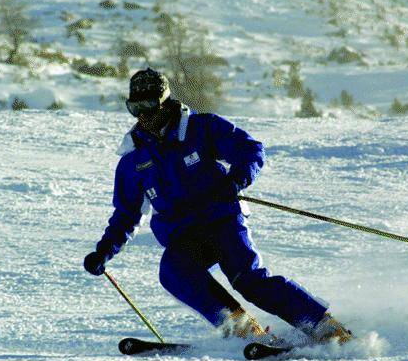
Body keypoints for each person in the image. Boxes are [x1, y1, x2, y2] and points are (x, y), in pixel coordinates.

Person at [84, 68, 352, 344]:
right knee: (174, 272)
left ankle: (324, 327)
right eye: (134, 107)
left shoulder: (202, 128)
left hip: (221, 221)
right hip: (183, 235)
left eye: (148, 105)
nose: (142, 115)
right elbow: (127, 212)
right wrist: (104, 250)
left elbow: (251, 150)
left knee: (247, 280)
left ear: (163, 102)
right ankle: (244, 331)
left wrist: (236, 180)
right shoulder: (133, 159)